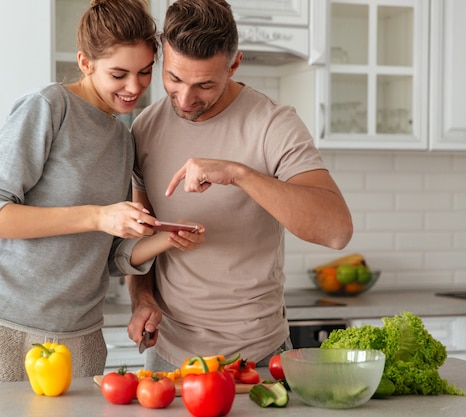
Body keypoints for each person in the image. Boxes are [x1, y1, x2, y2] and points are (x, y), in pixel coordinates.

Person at [0, 0, 204, 385]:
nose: (134, 87)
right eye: (119, 74)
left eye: (144, 72)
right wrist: (98, 215)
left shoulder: (123, 140)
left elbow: (106, 257)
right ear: (85, 62)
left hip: (83, 333)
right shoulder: (49, 107)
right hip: (8, 324)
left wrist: (165, 239)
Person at [126, 0, 353, 372]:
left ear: (234, 65)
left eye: (204, 84)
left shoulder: (273, 125)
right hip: (168, 353)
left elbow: (337, 231)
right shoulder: (145, 128)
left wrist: (239, 174)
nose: (184, 99)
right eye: (174, 78)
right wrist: (143, 298)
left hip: (258, 353)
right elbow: (143, 234)